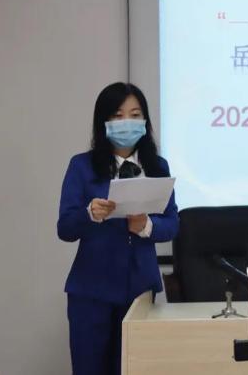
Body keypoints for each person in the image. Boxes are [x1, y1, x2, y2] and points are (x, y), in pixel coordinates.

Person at [57, 82, 179, 375]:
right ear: (104, 122)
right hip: (91, 290)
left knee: (134, 368)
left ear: (145, 121)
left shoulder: (157, 166)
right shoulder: (82, 166)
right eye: (118, 115)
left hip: (140, 289)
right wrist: (90, 214)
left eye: (135, 115)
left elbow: (172, 223)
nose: (127, 122)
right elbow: (65, 228)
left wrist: (147, 225)